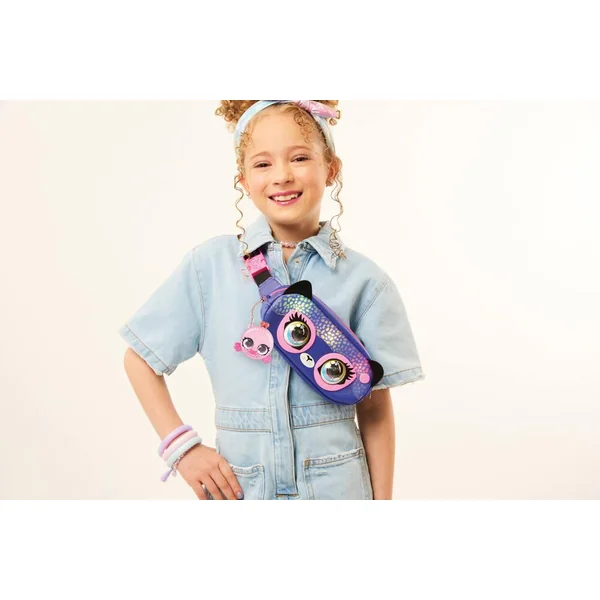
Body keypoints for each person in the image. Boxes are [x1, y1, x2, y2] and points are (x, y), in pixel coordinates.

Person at [119, 100, 425, 500]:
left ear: (331, 168)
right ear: (244, 181)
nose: (282, 176)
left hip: (339, 488)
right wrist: (182, 449)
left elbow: (375, 408)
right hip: (241, 488)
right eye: (262, 164)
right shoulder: (210, 268)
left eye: (299, 158)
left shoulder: (365, 281)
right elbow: (140, 359)